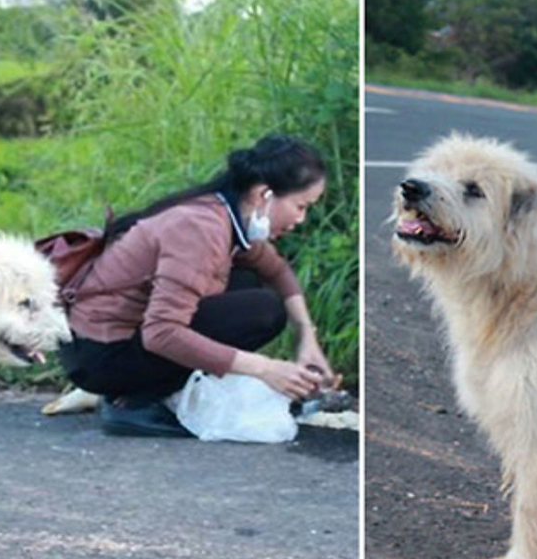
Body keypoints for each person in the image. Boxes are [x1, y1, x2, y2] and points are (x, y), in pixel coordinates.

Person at [56, 134, 335, 436]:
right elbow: (161, 333)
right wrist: (264, 369)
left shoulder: (230, 215)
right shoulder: (200, 229)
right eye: (301, 206)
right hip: (99, 356)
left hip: (109, 342)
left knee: (249, 282)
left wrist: (307, 337)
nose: (301, 219)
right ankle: (134, 401)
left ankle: (152, 390)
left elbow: (277, 270)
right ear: (263, 195)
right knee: (264, 310)